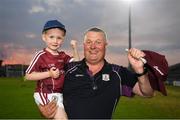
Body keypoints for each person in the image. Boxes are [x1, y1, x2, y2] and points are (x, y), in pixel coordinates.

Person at [38, 27, 154, 119]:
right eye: (89, 42)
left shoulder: (118, 73)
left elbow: (147, 93)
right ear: (84, 45)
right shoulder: (67, 69)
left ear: (105, 45)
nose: (93, 46)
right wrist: (44, 110)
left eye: (98, 42)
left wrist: (140, 70)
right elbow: (45, 90)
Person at [25, 20, 79, 120]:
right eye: (51, 37)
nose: (55, 41)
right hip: (46, 93)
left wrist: (74, 48)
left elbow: (76, 64)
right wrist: (49, 73)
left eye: (59, 38)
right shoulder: (41, 55)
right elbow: (28, 76)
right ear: (44, 37)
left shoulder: (63, 56)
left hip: (60, 94)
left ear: (63, 39)